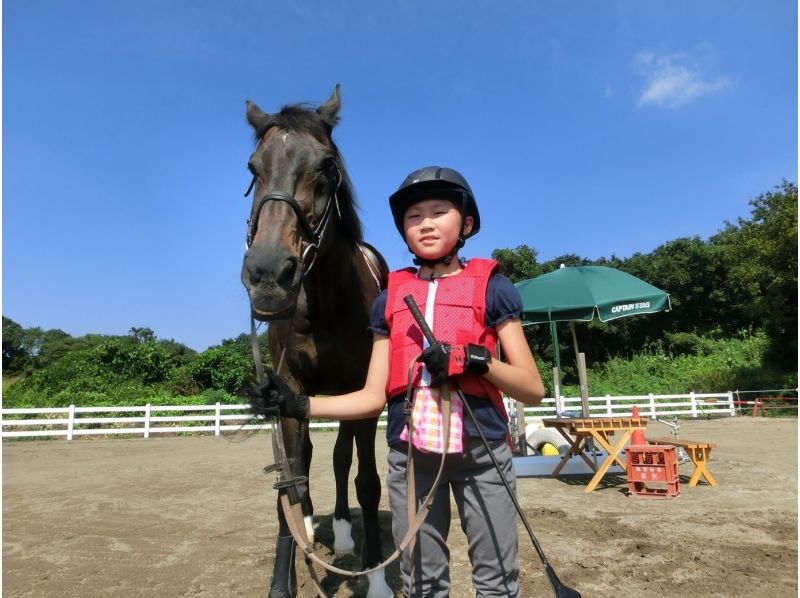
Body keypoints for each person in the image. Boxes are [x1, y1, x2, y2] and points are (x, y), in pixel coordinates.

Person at [254, 166, 545, 597]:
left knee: (497, 579)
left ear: (465, 223)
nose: (425, 223)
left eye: (439, 211)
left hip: (482, 454)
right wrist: (299, 405)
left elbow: (531, 389)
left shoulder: (493, 288)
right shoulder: (389, 300)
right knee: (421, 582)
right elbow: (372, 397)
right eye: (413, 216)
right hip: (411, 460)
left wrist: (475, 360)